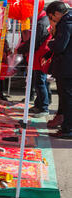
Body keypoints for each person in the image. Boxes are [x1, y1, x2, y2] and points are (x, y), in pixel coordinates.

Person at [17, 9, 52, 117]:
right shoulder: (43, 20)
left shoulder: (42, 22)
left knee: (40, 82)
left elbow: (35, 43)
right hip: (39, 56)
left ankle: (43, 108)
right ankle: (39, 104)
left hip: (40, 57)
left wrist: (20, 50)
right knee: (39, 82)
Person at [46, 1, 72, 139]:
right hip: (66, 67)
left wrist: (51, 43)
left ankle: (68, 129)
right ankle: (66, 126)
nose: (52, 20)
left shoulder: (66, 24)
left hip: (67, 67)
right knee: (66, 98)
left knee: (67, 98)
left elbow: (60, 46)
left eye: (51, 16)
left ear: (56, 13)